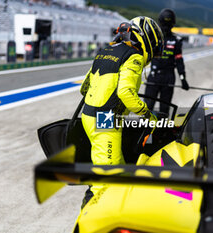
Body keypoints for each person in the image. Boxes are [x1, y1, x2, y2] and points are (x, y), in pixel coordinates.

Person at [79, 16, 164, 201]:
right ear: (147, 39)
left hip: (88, 115)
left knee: (120, 170)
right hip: (106, 119)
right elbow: (126, 93)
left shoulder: (106, 50)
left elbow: (84, 87)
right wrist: (147, 114)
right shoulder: (133, 56)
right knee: (104, 180)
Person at [144, 8, 189, 115]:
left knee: (164, 109)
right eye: (164, 24)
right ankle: (143, 130)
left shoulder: (176, 40)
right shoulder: (152, 37)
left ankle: (162, 131)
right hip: (154, 77)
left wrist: (183, 79)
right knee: (147, 108)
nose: (165, 28)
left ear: (172, 24)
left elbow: (179, 62)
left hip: (168, 78)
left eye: (168, 25)